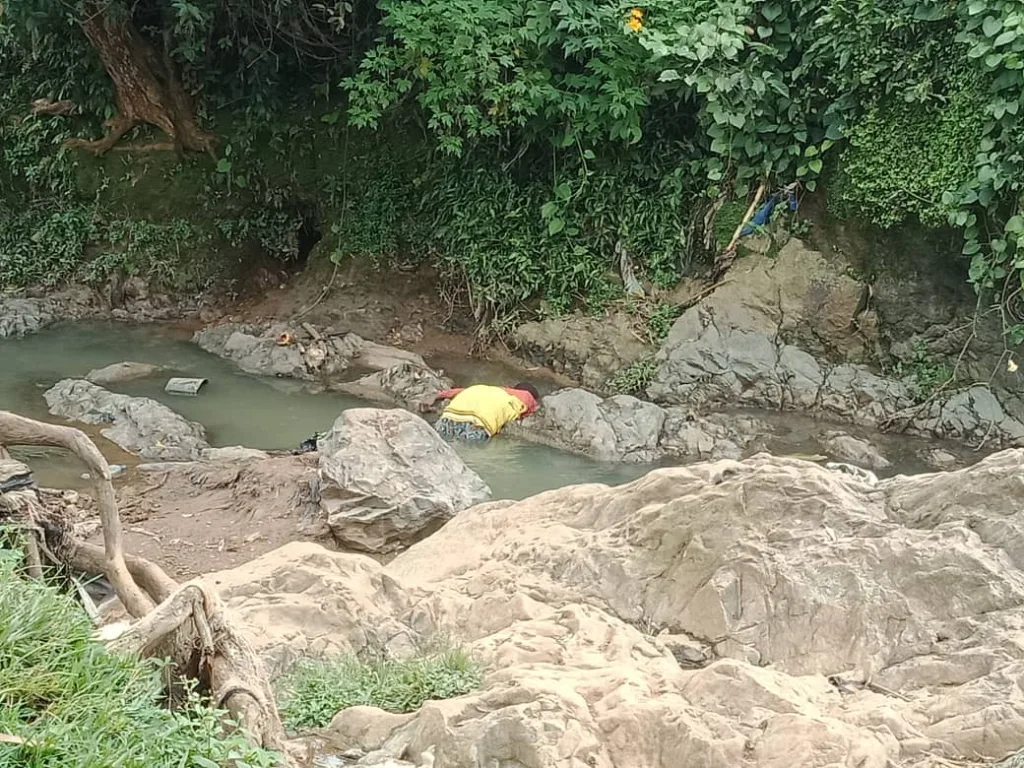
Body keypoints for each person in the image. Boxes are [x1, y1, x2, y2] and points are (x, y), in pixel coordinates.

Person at [423, 382, 540, 441]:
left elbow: (456, 391)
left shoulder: (487, 388)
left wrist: (437, 396)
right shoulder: (525, 395)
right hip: (477, 425)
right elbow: (534, 407)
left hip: (450, 417)